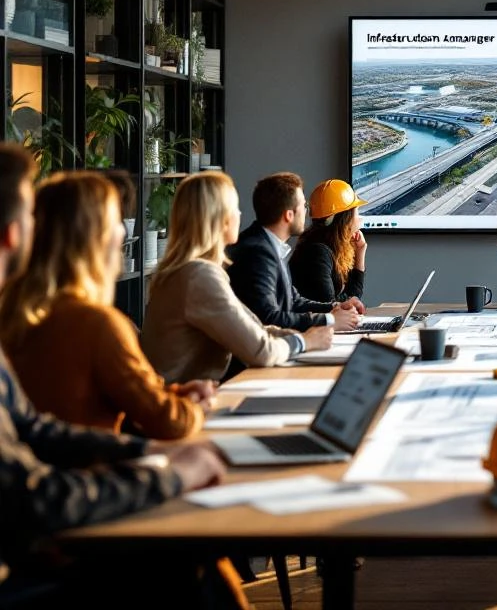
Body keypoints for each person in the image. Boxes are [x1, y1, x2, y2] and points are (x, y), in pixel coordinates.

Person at [0, 144, 242, 609]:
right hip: (34, 558)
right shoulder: (95, 322)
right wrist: (168, 475)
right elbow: (34, 498)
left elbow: (32, 428)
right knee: (194, 568)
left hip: (41, 533)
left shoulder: (16, 319)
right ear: (14, 234)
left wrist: (146, 452)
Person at [0, 171, 211, 440]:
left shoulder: (13, 314)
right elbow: (169, 422)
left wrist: (175, 395)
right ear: (96, 238)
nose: (123, 230)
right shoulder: (97, 324)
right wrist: (195, 408)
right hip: (91, 473)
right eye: (116, 220)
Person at [142, 171, 334, 384]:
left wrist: (302, 335)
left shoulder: (184, 271)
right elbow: (262, 351)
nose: (240, 215)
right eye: (235, 208)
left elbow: (254, 328)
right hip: (184, 406)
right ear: (221, 218)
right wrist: (303, 341)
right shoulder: (199, 276)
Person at [226, 171, 359, 332]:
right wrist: (329, 319)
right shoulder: (258, 252)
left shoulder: (269, 246)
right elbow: (268, 318)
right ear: (289, 215)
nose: (308, 212)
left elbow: (294, 301)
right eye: (303, 206)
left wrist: (336, 307)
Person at [289, 178, 369, 310]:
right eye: (357, 212)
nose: (360, 219)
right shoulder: (317, 253)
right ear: (345, 219)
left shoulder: (326, 247)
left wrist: (360, 252)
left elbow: (351, 300)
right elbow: (332, 309)